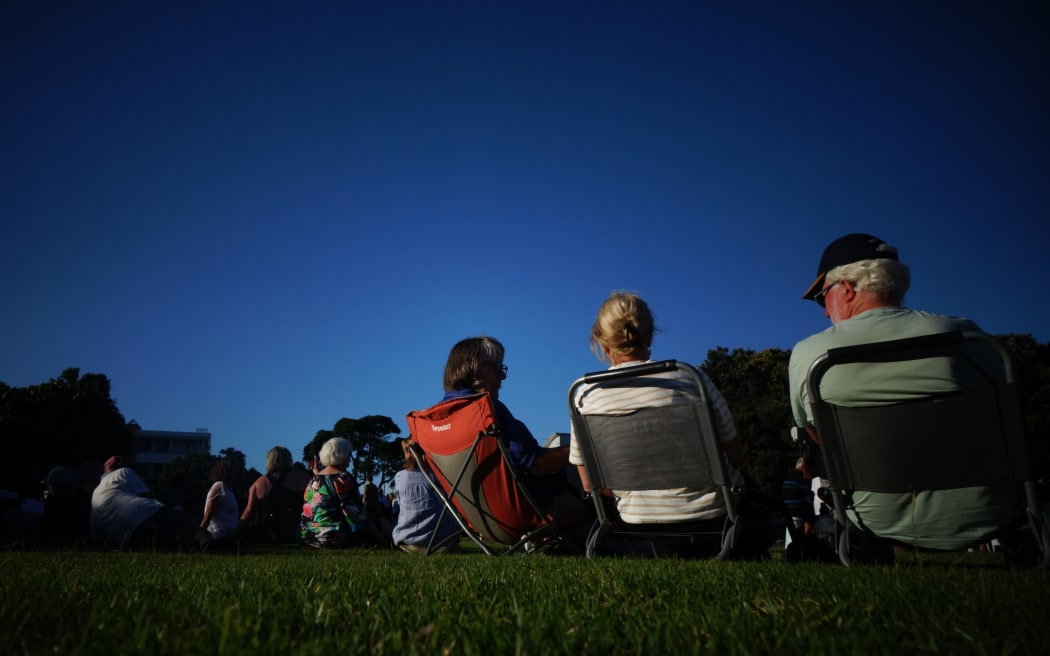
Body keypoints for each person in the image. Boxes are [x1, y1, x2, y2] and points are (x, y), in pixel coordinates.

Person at [788, 233, 1025, 554]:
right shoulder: (969, 338)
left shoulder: (811, 355)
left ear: (845, 288)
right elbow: (1007, 418)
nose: (826, 312)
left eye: (822, 297)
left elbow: (814, 436)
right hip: (989, 512)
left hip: (871, 520)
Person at [568, 292, 765, 557]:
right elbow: (736, 457)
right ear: (649, 335)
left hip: (637, 523)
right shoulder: (689, 378)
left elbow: (592, 485)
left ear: (604, 345)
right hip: (714, 520)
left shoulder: (585, 395)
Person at [441, 336, 590, 526]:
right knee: (589, 467)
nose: (502, 376)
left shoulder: (437, 421)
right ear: (475, 369)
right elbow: (538, 464)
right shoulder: (487, 411)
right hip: (532, 508)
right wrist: (583, 449)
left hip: (481, 518)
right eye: (496, 368)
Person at [90, 456, 206, 550]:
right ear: (121, 465)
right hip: (140, 512)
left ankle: (188, 544)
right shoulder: (123, 472)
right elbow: (147, 496)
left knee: (165, 540)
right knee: (181, 520)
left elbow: (96, 533)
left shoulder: (96, 492)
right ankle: (204, 539)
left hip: (126, 537)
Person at [300, 437, 392, 549]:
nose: (350, 459)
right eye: (349, 454)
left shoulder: (313, 480)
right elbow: (356, 516)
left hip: (309, 537)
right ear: (341, 455)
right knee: (383, 522)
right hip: (333, 539)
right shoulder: (344, 479)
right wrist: (380, 539)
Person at [392, 438, 461, 553]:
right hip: (441, 539)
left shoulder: (400, 477)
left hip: (407, 538)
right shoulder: (437, 476)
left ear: (408, 453)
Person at [240, 446, 312, 543]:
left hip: (268, 533)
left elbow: (249, 510)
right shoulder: (303, 477)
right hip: (298, 530)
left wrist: (237, 529)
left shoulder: (260, 483)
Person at [200, 457, 242, 547]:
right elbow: (208, 514)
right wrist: (200, 535)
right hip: (220, 535)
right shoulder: (219, 487)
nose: (236, 472)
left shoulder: (229, 489)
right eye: (233, 469)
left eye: (236, 469)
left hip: (231, 533)